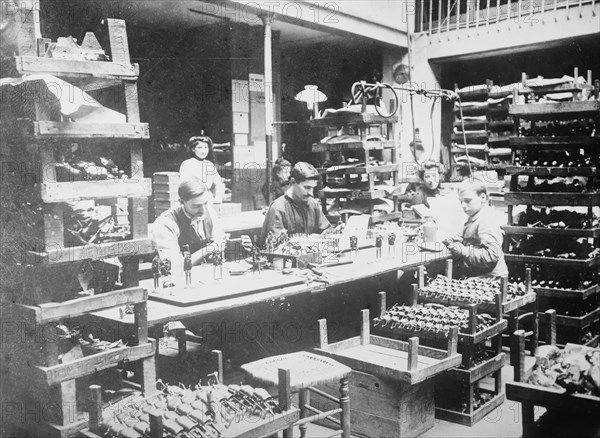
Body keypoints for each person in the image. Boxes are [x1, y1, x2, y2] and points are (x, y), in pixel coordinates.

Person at [151, 177, 226, 270]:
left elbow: (220, 241)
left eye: (205, 203)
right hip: (177, 279)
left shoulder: (209, 211)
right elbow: (173, 266)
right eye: (196, 206)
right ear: (181, 202)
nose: (203, 210)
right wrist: (207, 250)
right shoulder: (166, 223)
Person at [443, 178, 508, 278]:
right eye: (461, 201)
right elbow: (477, 242)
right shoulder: (475, 217)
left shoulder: (485, 221)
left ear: (482, 198)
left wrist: (465, 251)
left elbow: (493, 255)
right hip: (479, 276)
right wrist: (461, 240)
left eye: (468, 201)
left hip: (491, 280)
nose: (463, 206)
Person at [260, 161, 331, 245]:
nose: (311, 193)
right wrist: (307, 241)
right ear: (293, 183)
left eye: (313, 188)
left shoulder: (313, 204)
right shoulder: (278, 208)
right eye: (307, 187)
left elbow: (326, 231)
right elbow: (274, 247)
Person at [179, 135, 225, 203]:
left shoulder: (209, 165)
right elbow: (183, 184)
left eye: (206, 147)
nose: (203, 151)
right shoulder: (186, 164)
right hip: (192, 198)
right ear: (193, 149)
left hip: (208, 198)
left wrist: (218, 199)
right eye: (200, 148)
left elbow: (219, 183)